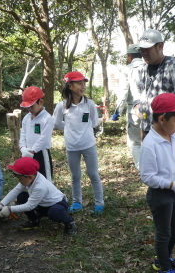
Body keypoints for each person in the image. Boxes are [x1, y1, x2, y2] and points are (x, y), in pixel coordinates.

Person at [139, 93, 175, 273]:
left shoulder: (174, 137)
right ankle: (164, 269)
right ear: (162, 119)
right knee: (164, 232)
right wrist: (172, 184)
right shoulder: (150, 144)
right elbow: (147, 177)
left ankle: (164, 258)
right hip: (160, 194)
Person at [53, 71, 105, 215]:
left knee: (93, 174)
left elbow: (94, 122)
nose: (83, 86)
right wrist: (69, 129)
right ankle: (77, 202)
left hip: (89, 145)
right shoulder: (62, 106)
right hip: (72, 147)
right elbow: (56, 123)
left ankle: (99, 204)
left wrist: (81, 130)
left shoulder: (89, 104)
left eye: (84, 83)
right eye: (79, 83)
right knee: (75, 176)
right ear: (70, 86)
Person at [132, 30, 175, 146]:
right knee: (149, 161)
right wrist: (136, 104)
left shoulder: (174, 68)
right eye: (142, 49)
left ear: (160, 46)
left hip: (167, 130)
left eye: (147, 49)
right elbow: (138, 90)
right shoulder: (142, 69)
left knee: (167, 162)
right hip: (146, 128)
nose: (144, 53)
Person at [0, 157, 77, 235]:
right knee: (21, 196)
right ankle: (34, 220)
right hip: (42, 204)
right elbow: (15, 190)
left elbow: (30, 206)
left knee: (55, 212)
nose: (19, 181)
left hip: (57, 204)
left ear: (30, 177)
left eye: (20, 179)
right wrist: (2, 204)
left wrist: (9, 209)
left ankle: (69, 222)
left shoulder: (40, 186)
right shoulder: (29, 178)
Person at [111, 45, 146, 169]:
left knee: (135, 142)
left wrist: (117, 112)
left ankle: (141, 168)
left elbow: (123, 92)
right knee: (150, 138)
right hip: (151, 109)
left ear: (130, 56)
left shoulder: (127, 69)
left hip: (134, 110)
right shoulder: (148, 66)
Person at [19, 86, 55, 180]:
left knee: (44, 179)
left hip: (41, 154)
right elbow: (23, 134)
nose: (29, 109)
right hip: (27, 153)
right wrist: (23, 148)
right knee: (29, 179)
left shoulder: (47, 118)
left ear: (41, 102)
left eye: (32, 106)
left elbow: (44, 138)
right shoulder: (26, 118)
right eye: (27, 107)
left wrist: (33, 150)